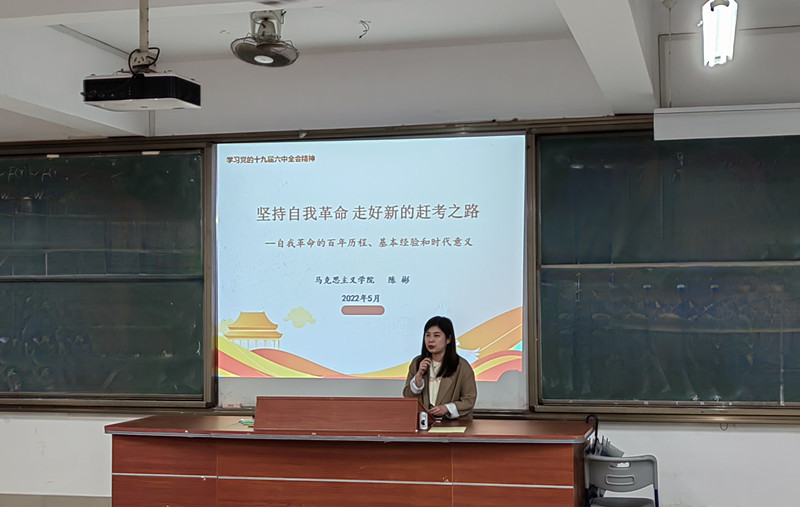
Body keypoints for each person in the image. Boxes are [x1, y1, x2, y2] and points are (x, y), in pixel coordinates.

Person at [402, 316, 477, 419]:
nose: (431, 340)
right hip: (423, 423)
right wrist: (418, 376)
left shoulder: (461, 366)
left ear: (448, 339)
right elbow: (408, 397)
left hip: (452, 425)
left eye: (437, 335)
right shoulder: (417, 363)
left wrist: (447, 408)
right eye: (427, 335)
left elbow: (469, 400)